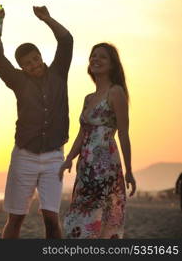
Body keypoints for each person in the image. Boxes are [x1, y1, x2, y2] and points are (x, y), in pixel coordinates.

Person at [0, 5, 73, 239]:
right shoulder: (18, 81)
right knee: (15, 218)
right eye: (27, 64)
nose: (33, 65)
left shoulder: (58, 73)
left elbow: (66, 41)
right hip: (24, 156)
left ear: (40, 56)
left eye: (35, 59)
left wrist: (47, 19)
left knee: (51, 219)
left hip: (54, 156)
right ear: (21, 67)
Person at [59, 43, 136, 239]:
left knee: (101, 221)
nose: (96, 59)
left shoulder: (115, 92)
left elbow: (124, 134)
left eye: (102, 57)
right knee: (78, 218)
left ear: (112, 65)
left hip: (106, 167)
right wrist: (69, 158)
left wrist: (128, 171)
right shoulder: (88, 98)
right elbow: (83, 132)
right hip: (85, 167)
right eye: (93, 56)